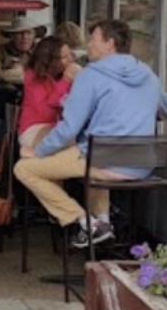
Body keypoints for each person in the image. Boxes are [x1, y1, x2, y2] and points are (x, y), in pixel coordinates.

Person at [15, 20, 166, 249]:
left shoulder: (90, 76)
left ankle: (85, 222)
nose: (88, 45)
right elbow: (163, 111)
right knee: (93, 164)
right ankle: (103, 223)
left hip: (101, 161)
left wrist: (38, 151)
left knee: (24, 168)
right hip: (141, 165)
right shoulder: (148, 75)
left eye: (94, 39)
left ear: (110, 43)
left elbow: (68, 129)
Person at [0, 16, 42, 180]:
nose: (24, 37)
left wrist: (14, 74)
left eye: (28, 33)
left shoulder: (40, 53)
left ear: (34, 35)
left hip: (31, 104)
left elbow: (43, 77)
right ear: (11, 36)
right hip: (1, 101)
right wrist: (16, 76)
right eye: (19, 34)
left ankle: (28, 172)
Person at [18, 36, 74, 149]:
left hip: (61, 127)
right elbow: (46, 113)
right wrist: (66, 81)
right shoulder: (32, 77)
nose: (71, 60)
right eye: (64, 57)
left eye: (70, 54)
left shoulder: (63, 75)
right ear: (51, 60)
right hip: (35, 128)